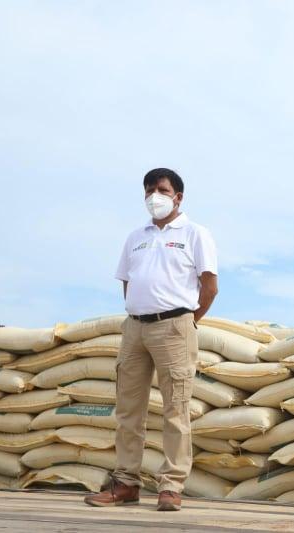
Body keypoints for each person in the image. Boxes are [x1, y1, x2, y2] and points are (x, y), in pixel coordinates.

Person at [85, 168, 218, 511]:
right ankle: (126, 483)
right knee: (128, 409)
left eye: (161, 189)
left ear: (178, 197)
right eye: (148, 190)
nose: (153, 196)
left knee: (176, 409)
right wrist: (139, 312)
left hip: (174, 326)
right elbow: (127, 282)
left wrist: (187, 321)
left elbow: (209, 287)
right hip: (135, 328)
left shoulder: (195, 233)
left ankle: (171, 486)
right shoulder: (135, 237)